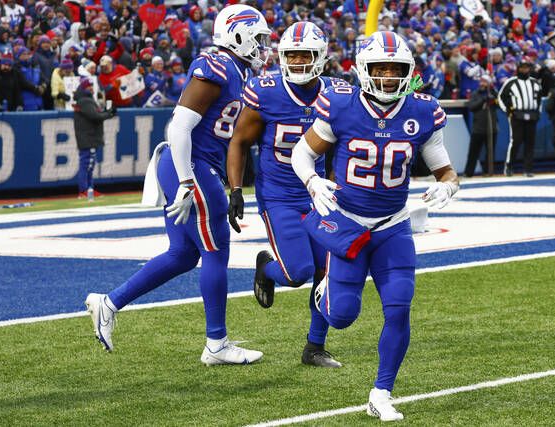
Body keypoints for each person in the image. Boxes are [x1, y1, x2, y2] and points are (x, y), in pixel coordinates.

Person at [85, 5, 271, 366]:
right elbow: (180, 127)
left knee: (183, 254)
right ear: (238, 34)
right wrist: (187, 180)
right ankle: (216, 344)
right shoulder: (216, 66)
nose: (262, 46)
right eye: (258, 38)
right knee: (216, 252)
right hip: (191, 166)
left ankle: (108, 303)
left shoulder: (239, 72)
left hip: (195, 166)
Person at [291, 31, 459, 421]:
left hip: (393, 227)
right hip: (349, 225)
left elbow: (446, 171)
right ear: (363, 70)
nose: (387, 76)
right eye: (379, 68)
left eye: (395, 69)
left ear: (408, 72)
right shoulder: (342, 104)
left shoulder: (421, 110)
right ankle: (324, 293)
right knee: (343, 316)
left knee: (399, 308)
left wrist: (448, 188)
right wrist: (313, 181)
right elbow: (302, 153)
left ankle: (381, 392)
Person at [226, 22, 345, 368]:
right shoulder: (266, 90)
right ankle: (267, 268)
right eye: (290, 55)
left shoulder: (336, 93)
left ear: (321, 57)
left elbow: (343, 144)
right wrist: (236, 189)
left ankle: (314, 347)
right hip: (278, 193)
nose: (296, 62)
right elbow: (239, 141)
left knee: (327, 270)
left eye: (304, 55)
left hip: (318, 192)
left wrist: (341, 187)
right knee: (297, 272)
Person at [497, 57, 542, 177]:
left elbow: (539, 99)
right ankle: (509, 166)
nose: (525, 69)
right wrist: (508, 111)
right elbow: (501, 97)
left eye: (527, 67)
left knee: (530, 143)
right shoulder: (511, 82)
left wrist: (538, 112)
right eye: (522, 67)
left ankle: (528, 169)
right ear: (518, 68)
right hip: (516, 115)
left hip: (532, 115)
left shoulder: (535, 82)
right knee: (515, 141)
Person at [73, 77, 115, 199]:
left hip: (89, 137)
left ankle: (89, 189)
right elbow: (95, 116)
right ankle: (84, 190)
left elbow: (95, 114)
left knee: (89, 166)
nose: (91, 88)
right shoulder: (85, 100)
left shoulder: (86, 99)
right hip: (88, 138)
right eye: (88, 86)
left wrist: (106, 112)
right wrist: (109, 114)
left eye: (91, 85)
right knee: (86, 165)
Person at [464, 74, 498, 177]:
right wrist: (483, 100)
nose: (482, 83)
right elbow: (471, 106)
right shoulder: (476, 93)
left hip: (491, 127)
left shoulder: (494, 93)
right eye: (481, 81)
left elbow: (500, 105)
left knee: (490, 152)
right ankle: (468, 172)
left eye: (485, 81)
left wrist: (493, 98)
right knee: (473, 152)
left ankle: (488, 171)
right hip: (478, 128)